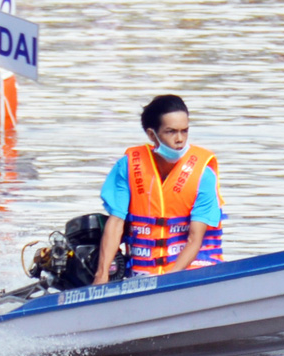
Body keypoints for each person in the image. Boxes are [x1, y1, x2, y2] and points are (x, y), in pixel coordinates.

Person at [93, 95, 224, 284]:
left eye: (184, 131)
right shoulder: (128, 166)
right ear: (152, 135)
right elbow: (116, 222)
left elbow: (195, 238)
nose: (179, 140)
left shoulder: (203, 173)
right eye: (171, 132)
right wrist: (102, 275)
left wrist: (167, 281)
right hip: (141, 276)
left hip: (191, 272)